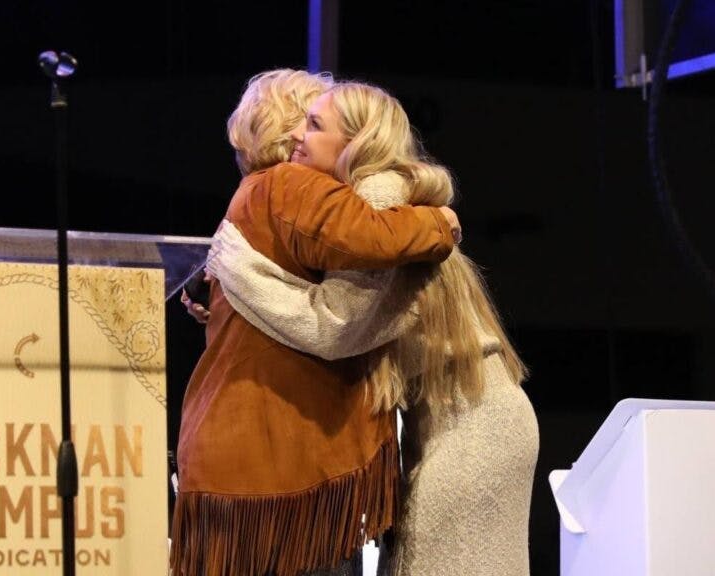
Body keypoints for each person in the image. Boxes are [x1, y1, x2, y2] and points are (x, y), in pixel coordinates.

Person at [202, 81, 539, 576]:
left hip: (471, 422)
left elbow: (335, 329)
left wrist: (240, 274)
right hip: (457, 414)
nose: (297, 137)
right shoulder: (357, 205)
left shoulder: (377, 198)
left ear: (355, 143)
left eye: (314, 125)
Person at [170, 69, 461, 576]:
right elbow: (366, 236)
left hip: (233, 461)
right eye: (309, 117)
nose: (304, 133)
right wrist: (439, 223)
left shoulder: (256, 194)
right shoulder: (288, 184)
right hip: (285, 467)